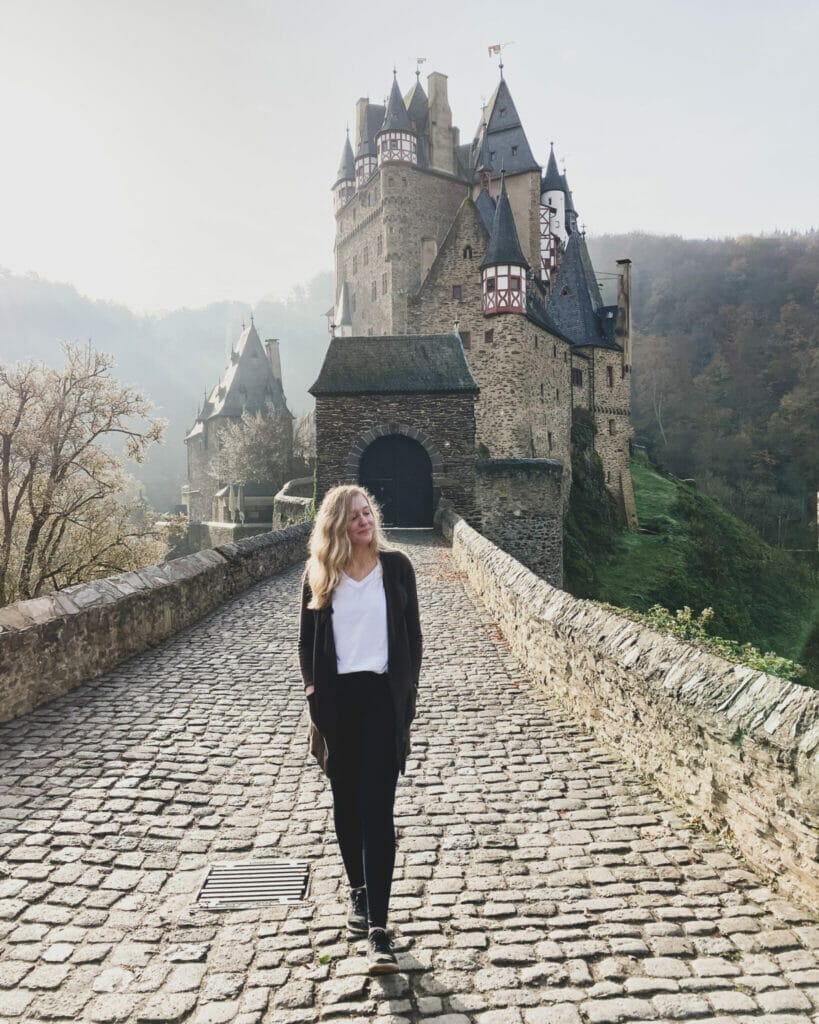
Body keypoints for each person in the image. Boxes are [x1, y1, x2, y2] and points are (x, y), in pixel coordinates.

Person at [298, 485, 422, 975]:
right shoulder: (320, 575)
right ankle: (358, 889)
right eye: (353, 517)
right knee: (346, 805)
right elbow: (306, 646)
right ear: (336, 525)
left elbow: (412, 639)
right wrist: (315, 700)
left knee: (378, 810)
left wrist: (406, 697)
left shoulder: (397, 569)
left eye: (367, 512)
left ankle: (378, 929)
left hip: (381, 702)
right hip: (336, 703)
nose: (364, 521)